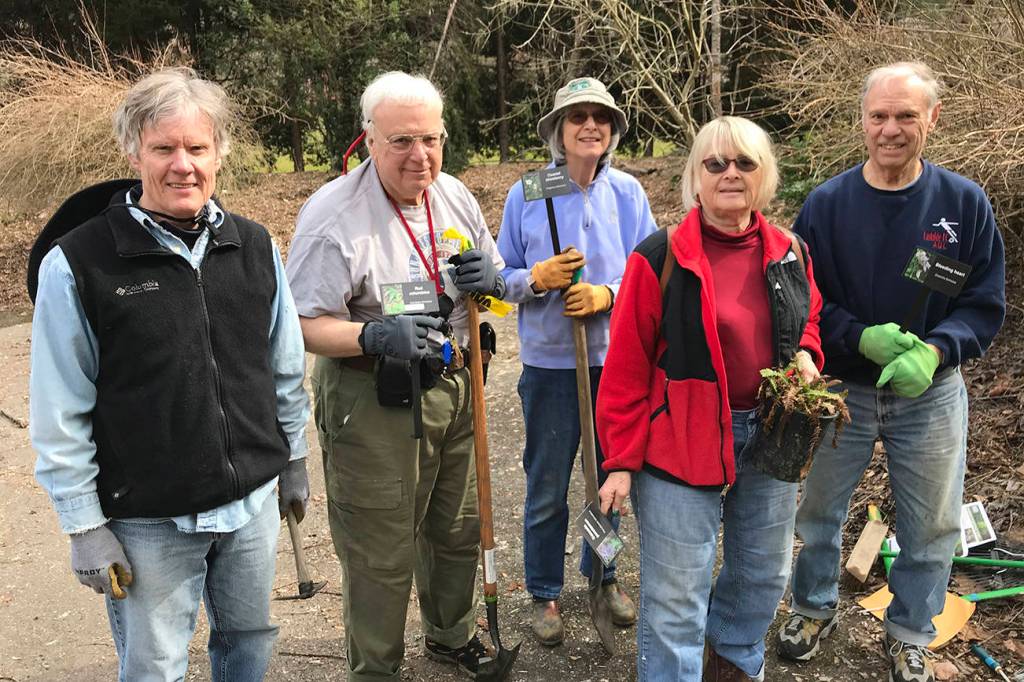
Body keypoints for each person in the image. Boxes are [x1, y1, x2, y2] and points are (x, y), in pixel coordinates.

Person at [29, 67, 311, 682]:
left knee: (250, 642)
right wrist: (83, 525)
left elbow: (284, 367)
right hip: (147, 520)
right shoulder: (79, 263)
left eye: (197, 147)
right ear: (133, 152)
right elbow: (59, 406)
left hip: (252, 506)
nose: (183, 165)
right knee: (154, 664)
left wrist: (293, 458)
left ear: (220, 154)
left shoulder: (256, 246)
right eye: (164, 148)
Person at [776, 62, 1005, 682]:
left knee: (932, 522)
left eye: (906, 115)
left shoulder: (962, 204)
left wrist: (936, 350)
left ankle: (909, 630)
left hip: (929, 393)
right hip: (841, 389)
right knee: (818, 511)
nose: (891, 129)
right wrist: (857, 338)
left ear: (932, 118)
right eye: (879, 115)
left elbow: (984, 304)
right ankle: (812, 605)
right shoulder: (826, 206)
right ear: (862, 121)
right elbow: (800, 303)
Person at [285, 71, 505, 681]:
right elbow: (301, 321)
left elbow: (497, 279)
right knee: (381, 546)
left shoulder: (455, 194)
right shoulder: (334, 215)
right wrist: (369, 334)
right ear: (369, 141)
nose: (420, 155)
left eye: (431, 139)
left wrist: (491, 279)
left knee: (457, 526)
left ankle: (450, 634)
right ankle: (377, 668)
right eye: (402, 140)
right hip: (372, 396)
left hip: (458, 384)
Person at [595, 116, 824, 682]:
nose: (730, 173)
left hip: (771, 434)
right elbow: (625, 368)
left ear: (764, 175)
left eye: (744, 162)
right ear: (695, 177)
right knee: (677, 592)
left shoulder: (789, 250)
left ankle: (732, 667)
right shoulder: (659, 256)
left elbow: (808, 319)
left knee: (762, 575)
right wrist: (621, 461)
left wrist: (807, 356)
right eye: (715, 163)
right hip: (681, 437)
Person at [496, 76, 656, 645]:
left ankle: (604, 574)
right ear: (558, 131)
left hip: (615, 365)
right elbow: (498, 278)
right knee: (547, 485)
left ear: (613, 131)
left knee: (607, 486)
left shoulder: (628, 194)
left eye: (601, 118)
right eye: (577, 117)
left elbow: (650, 274)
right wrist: (534, 280)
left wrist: (608, 295)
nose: (591, 126)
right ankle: (544, 592)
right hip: (550, 367)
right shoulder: (531, 191)